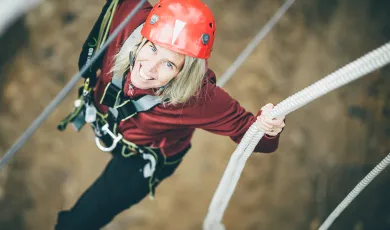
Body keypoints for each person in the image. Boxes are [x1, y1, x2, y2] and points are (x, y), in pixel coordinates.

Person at [55, 0, 285, 229]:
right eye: (153, 48)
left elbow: (258, 140)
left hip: (142, 159)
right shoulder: (130, 17)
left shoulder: (197, 98)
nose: (149, 69)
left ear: (182, 73)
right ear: (143, 37)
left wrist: (268, 127)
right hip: (103, 119)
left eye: (168, 64)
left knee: (78, 224)